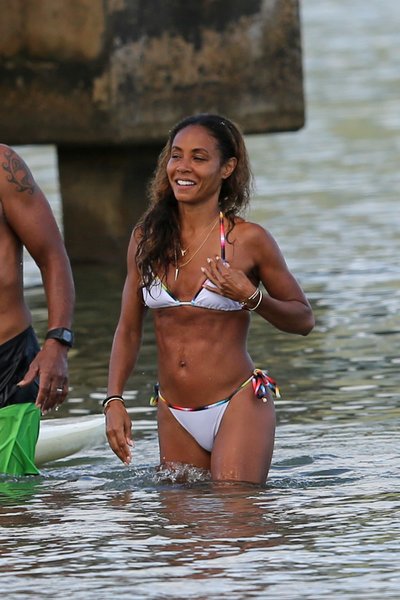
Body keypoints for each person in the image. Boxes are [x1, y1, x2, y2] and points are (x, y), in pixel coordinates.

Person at [104, 114, 314, 485]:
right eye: (176, 156)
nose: (183, 167)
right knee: (180, 520)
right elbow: (129, 328)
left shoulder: (249, 240)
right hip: (174, 409)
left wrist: (251, 297)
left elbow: (303, 320)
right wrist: (114, 399)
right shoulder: (146, 238)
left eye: (199, 158)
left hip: (238, 402)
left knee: (232, 508)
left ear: (227, 168)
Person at [0, 144, 75, 476]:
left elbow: (52, 256)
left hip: (9, 366)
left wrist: (57, 342)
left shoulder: (4, 167)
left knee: (11, 501)